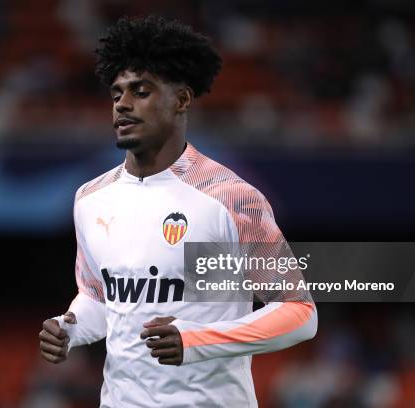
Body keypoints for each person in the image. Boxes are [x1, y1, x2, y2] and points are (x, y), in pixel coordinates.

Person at [39, 15, 317, 407]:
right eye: (117, 93)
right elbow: (100, 300)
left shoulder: (230, 198)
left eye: (141, 91)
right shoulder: (90, 198)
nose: (123, 104)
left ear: (182, 99)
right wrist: (70, 326)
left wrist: (197, 341)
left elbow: (299, 313)